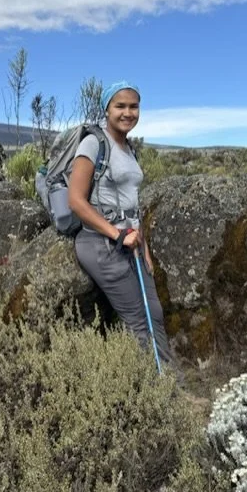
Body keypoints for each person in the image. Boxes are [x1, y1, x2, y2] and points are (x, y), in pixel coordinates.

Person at [68, 81, 175, 367]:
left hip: (130, 243)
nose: (128, 113)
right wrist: (117, 234)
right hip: (101, 243)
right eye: (120, 106)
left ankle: (168, 380)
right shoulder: (94, 144)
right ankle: (154, 386)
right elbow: (76, 201)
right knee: (139, 321)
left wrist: (145, 248)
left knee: (154, 314)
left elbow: (132, 205)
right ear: (107, 109)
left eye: (133, 106)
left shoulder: (129, 148)